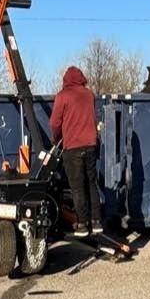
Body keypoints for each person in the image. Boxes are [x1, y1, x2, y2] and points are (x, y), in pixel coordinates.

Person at [51, 66, 102, 237]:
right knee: (91, 184)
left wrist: (56, 138)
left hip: (72, 147)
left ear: (66, 80)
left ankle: (82, 223)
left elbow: (54, 123)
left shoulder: (62, 96)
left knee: (77, 187)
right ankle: (96, 222)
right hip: (91, 145)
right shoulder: (89, 95)